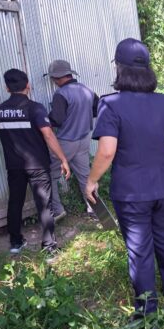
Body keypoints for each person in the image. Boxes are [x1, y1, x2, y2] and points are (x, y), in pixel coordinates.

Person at [85, 38, 164, 319]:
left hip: (131, 192)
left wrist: (91, 180)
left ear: (119, 68)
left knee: (139, 249)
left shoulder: (111, 104)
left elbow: (107, 151)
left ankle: (147, 312)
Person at [0, 69, 71, 259]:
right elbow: (48, 134)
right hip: (38, 166)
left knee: (15, 202)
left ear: (7, 88)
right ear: (28, 85)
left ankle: (16, 243)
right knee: (44, 205)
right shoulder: (35, 108)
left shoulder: (0, 110)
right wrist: (63, 159)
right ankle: (49, 247)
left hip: (14, 166)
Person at [45, 59, 98, 221]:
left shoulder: (61, 94)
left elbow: (57, 120)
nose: (54, 82)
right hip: (84, 139)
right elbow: (97, 110)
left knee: (50, 174)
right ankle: (95, 211)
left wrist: (45, 119)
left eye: (53, 79)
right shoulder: (86, 90)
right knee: (85, 176)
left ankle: (57, 210)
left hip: (65, 142)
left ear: (57, 78)